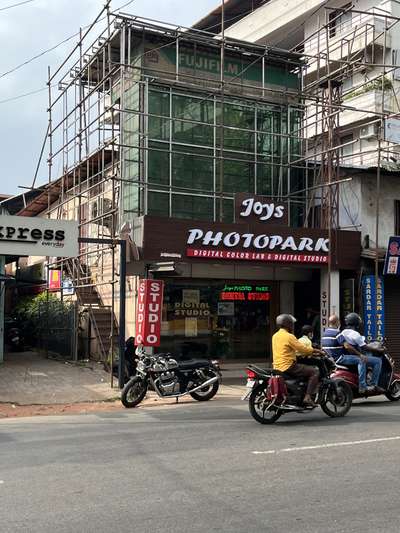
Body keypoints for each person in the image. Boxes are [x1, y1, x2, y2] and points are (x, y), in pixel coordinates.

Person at [272, 314, 324, 406]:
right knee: (314, 371)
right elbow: (303, 349)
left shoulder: (275, 336)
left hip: (277, 366)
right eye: (291, 324)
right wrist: (317, 351)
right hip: (288, 366)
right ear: (288, 324)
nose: (293, 326)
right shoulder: (289, 336)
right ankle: (307, 397)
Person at [336, 313, 383, 394]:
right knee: (377, 361)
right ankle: (373, 385)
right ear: (356, 323)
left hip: (346, 356)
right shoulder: (355, 334)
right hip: (352, 356)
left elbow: (361, 340)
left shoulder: (343, 331)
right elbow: (364, 347)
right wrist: (378, 350)